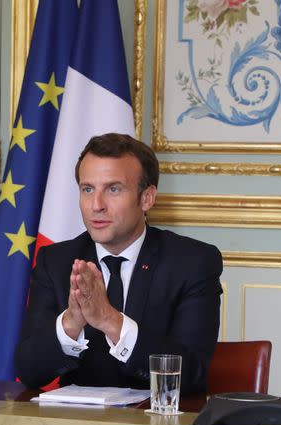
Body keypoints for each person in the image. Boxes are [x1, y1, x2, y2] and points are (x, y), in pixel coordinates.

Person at [14, 133, 223, 394]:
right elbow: (29, 372)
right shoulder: (56, 262)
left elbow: (191, 375)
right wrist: (70, 323)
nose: (96, 205)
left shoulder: (192, 262)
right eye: (87, 189)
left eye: (113, 189)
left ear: (146, 198)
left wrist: (110, 321)